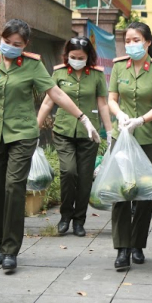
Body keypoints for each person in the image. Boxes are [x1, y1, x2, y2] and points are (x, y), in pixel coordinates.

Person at [0, 19, 100, 273]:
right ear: (1, 39)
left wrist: (82, 118)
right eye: (6, 42)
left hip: (22, 136)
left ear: (25, 44)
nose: (10, 47)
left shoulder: (32, 65)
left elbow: (56, 94)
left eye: (16, 44)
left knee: (13, 187)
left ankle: (10, 250)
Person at [107, 21, 152, 271]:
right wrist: (120, 115)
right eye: (127, 40)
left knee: (144, 193)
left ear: (147, 42)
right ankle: (122, 248)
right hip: (121, 136)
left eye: (136, 40)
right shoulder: (118, 67)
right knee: (120, 192)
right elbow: (112, 99)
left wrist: (141, 120)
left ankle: (137, 244)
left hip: (149, 138)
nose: (131, 44)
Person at [36, 36, 113, 237]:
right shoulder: (59, 73)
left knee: (85, 178)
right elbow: (48, 102)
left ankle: (79, 220)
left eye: (80, 57)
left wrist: (110, 131)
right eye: (72, 56)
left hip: (90, 134)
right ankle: (65, 216)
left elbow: (103, 104)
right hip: (64, 131)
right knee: (69, 172)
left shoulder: (96, 75)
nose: (76, 59)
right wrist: (35, 127)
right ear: (66, 55)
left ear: (88, 57)